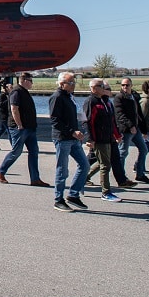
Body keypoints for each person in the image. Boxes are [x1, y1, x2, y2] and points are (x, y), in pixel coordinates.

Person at [0, 73, 48, 186]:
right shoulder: (16, 92)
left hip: (30, 127)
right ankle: (1, 171)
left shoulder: (24, 92)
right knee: (16, 152)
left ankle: (35, 178)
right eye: (31, 81)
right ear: (24, 80)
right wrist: (19, 124)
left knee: (34, 152)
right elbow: (14, 109)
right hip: (19, 128)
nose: (32, 83)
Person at [48, 72, 88, 211]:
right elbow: (54, 120)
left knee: (84, 164)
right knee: (62, 170)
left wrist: (79, 129)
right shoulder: (57, 97)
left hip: (73, 139)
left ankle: (73, 195)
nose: (73, 85)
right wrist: (71, 131)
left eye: (74, 82)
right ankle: (58, 199)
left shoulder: (69, 97)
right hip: (62, 138)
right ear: (61, 84)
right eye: (71, 83)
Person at [85, 79, 123, 202]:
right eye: (102, 87)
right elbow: (88, 122)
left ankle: (83, 177)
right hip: (99, 139)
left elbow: (112, 121)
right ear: (94, 88)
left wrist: (117, 135)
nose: (105, 89)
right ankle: (106, 192)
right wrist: (90, 138)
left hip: (108, 137)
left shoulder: (106, 102)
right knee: (105, 165)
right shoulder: (91, 102)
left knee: (105, 162)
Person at [114, 78, 149, 184]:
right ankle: (121, 177)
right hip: (125, 130)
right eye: (123, 85)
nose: (125, 87)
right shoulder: (119, 98)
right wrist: (130, 126)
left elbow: (138, 114)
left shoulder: (134, 96)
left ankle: (140, 174)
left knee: (144, 149)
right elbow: (120, 114)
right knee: (123, 153)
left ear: (131, 85)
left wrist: (144, 130)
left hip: (136, 129)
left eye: (127, 85)